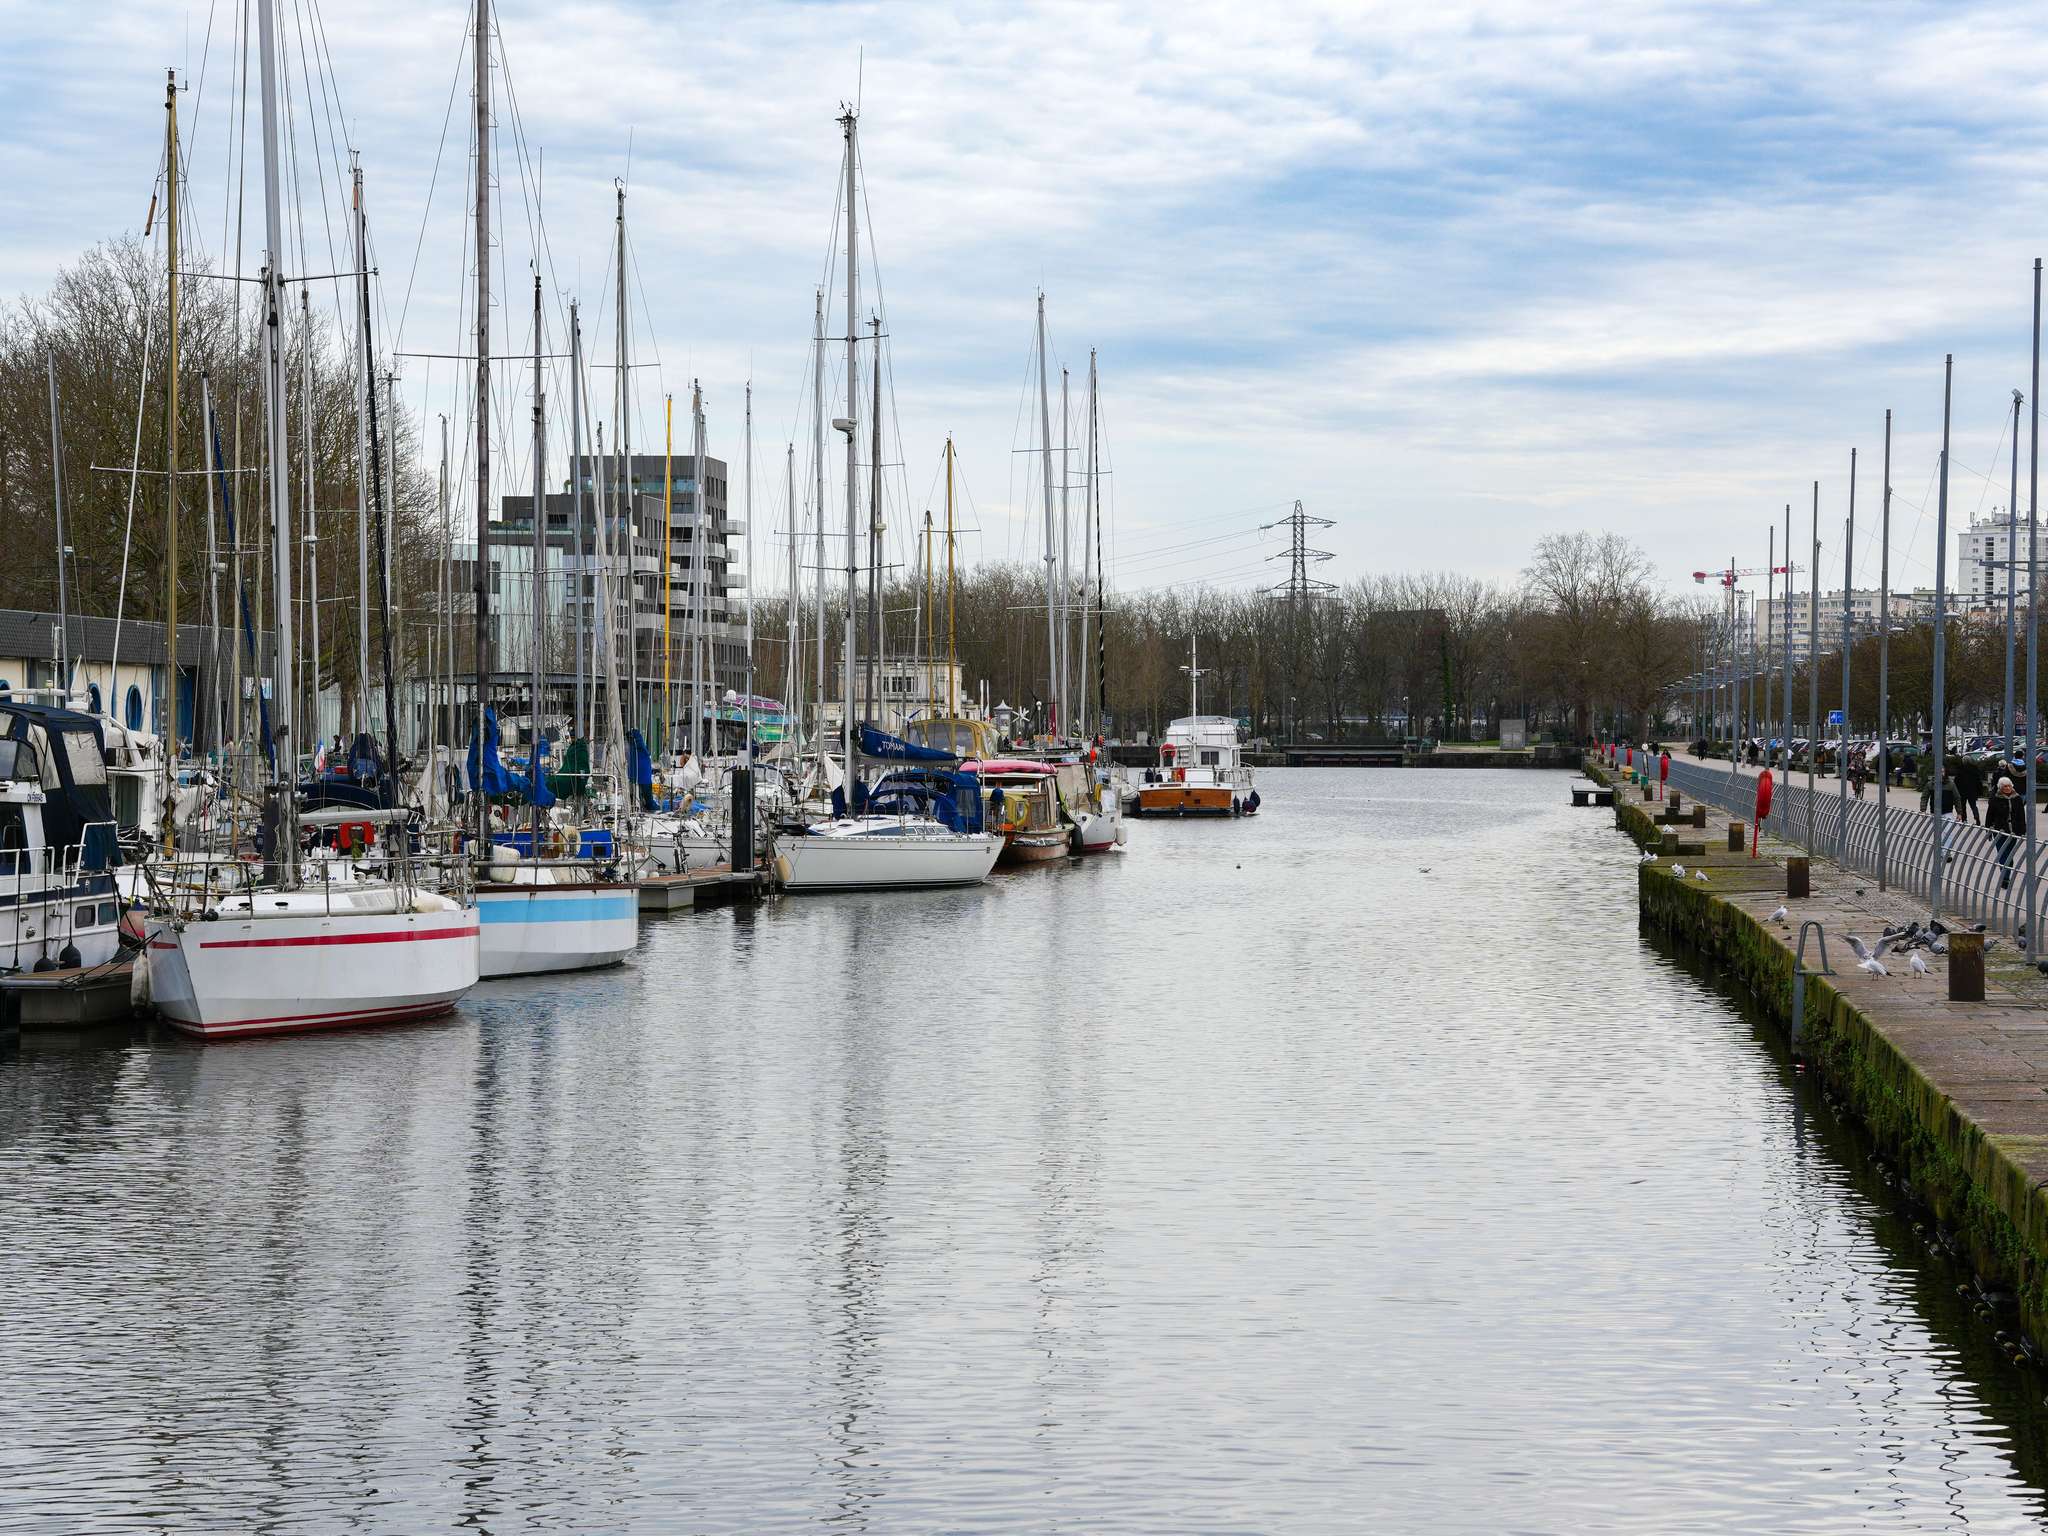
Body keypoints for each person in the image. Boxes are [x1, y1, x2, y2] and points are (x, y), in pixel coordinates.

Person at [1989, 775, 2027, 890]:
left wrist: (2022, 830)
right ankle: (2004, 877)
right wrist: (1989, 829)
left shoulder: (2017, 798)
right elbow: (1990, 815)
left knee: (2010, 855)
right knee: (2002, 854)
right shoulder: (1995, 799)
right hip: (1999, 831)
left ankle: (2006, 876)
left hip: (2013, 831)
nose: (2007, 788)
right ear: (2000, 787)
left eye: (2009, 786)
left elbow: (2021, 815)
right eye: (2004, 786)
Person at [1953, 754, 1986, 824]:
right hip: (1972, 791)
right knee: (1973, 805)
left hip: (1962, 791)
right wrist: (1980, 791)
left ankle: (1964, 819)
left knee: (1963, 805)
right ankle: (1977, 817)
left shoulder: (1960, 770)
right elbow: (1978, 782)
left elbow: (1956, 781)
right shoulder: (1975, 769)